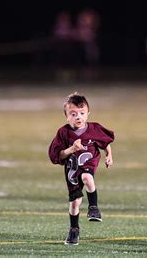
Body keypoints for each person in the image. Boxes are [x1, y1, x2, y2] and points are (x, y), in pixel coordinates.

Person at [48, 92, 115, 245]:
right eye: (73, 114)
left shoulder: (94, 128)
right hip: (72, 170)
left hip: (88, 164)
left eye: (82, 113)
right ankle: (74, 229)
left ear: (88, 113)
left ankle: (93, 207)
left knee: (87, 177)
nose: (78, 117)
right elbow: (56, 155)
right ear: (66, 116)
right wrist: (71, 149)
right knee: (75, 202)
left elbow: (105, 143)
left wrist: (109, 155)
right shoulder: (63, 133)